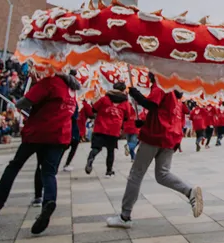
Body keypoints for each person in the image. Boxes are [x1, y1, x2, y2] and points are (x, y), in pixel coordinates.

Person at [0, 71, 80, 235]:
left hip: (38, 132)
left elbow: (25, 102)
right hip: (60, 135)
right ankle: (48, 202)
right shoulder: (72, 89)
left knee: (14, 167)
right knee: (48, 173)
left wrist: (27, 92)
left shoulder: (50, 82)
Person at [107, 74, 202, 228]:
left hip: (155, 136)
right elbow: (163, 113)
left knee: (136, 174)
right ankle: (189, 191)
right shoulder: (174, 93)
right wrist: (144, 122)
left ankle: (125, 216)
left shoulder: (161, 84)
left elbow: (151, 104)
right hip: (169, 138)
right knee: (162, 174)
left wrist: (136, 94)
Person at [86, 82, 132, 177]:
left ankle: (91, 157)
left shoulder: (104, 99)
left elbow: (94, 109)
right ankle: (109, 171)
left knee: (96, 147)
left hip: (100, 127)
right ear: (123, 90)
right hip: (114, 129)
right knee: (110, 151)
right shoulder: (125, 103)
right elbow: (127, 116)